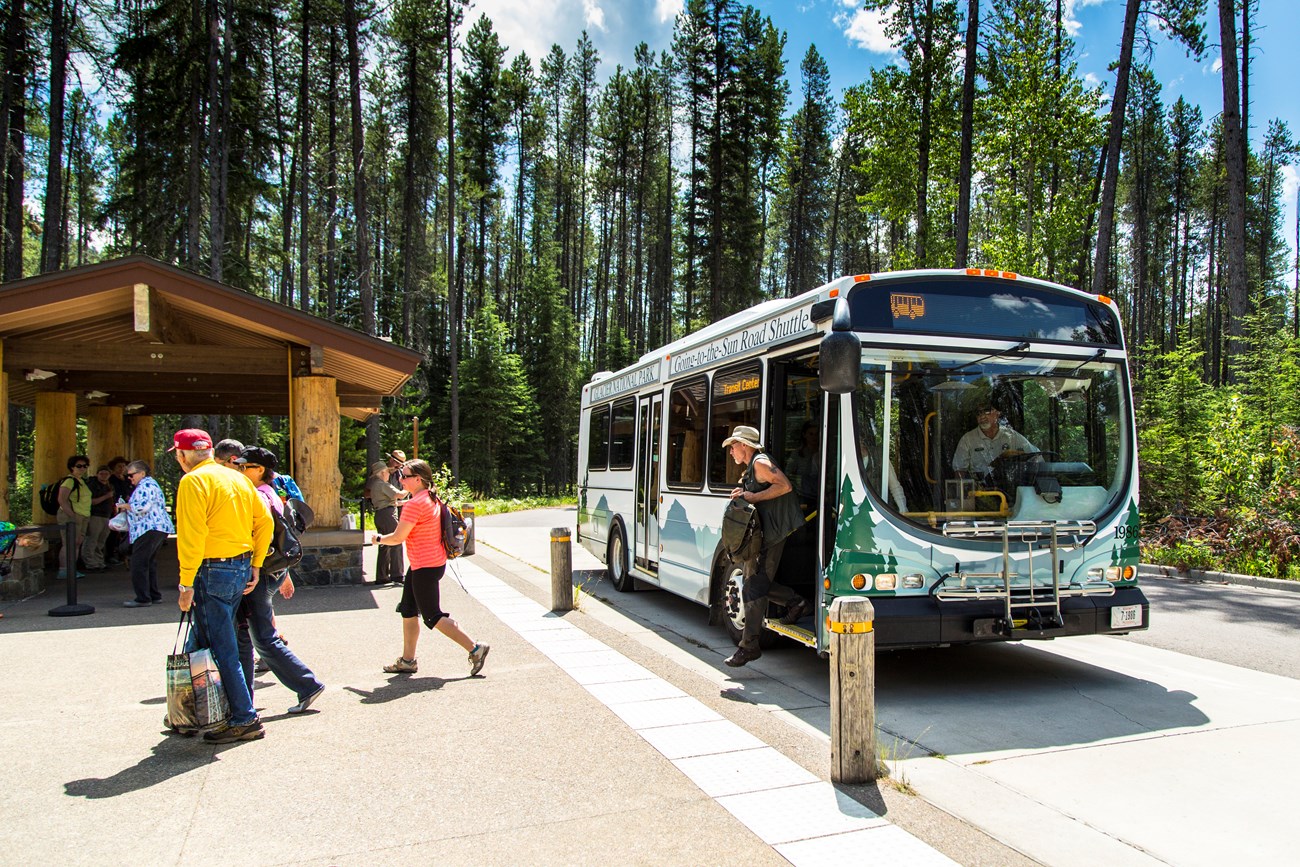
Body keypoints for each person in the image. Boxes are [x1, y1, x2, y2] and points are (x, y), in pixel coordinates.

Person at [171, 428, 273, 744]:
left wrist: (185, 583)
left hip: (211, 568)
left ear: (181, 454)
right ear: (210, 450)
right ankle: (186, 711)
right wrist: (255, 563)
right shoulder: (238, 478)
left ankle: (244, 718)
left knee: (220, 644)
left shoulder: (193, 481)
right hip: (240, 566)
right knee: (203, 636)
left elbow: (191, 536)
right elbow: (265, 522)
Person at [372, 459, 489, 677]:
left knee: (433, 616)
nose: (400, 478)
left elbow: (398, 537)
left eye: (404, 476)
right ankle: (408, 661)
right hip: (427, 563)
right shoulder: (430, 498)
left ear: (418, 479)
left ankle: (476, 648)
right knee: (408, 609)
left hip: (424, 566)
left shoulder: (415, 504)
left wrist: (378, 539)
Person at [234, 445, 325, 715]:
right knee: (248, 634)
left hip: (260, 572)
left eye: (244, 466)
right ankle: (242, 697)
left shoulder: (259, 496)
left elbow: (262, 536)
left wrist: (255, 568)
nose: (239, 470)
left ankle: (307, 684)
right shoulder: (271, 493)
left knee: (262, 636)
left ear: (259, 470)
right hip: (269, 571)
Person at [720, 425, 808, 668]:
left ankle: (749, 647)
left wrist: (752, 497)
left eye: (733, 446)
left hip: (775, 533)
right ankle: (795, 602)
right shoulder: (753, 466)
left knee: (754, 587)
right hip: (767, 533)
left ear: (745, 446)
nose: (731, 452)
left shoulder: (760, 462)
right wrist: (745, 492)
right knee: (754, 585)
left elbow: (784, 486)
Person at [117, 460, 175, 607]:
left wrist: (123, 505)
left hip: (148, 528)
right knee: (149, 562)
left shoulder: (146, 485)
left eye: (131, 475)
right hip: (155, 528)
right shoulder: (150, 484)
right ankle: (153, 595)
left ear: (142, 473)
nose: (129, 478)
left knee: (138, 563)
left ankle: (143, 597)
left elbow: (141, 507)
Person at [952, 401, 1040, 479]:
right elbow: (959, 471)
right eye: (978, 413)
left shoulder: (1011, 436)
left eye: (987, 411)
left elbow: (1036, 456)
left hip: (1008, 489)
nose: (982, 416)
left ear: (998, 413)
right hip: (980, 492)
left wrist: (1018, 456)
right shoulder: (968, 439)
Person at [367, 460, 408, 586]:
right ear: (383, 472)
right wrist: (409, 488)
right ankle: (397, 575)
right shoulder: (383, 484)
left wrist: (407, 502)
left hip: (380, 514)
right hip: (388, 515)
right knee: (396, 541)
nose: (389, 475)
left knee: (384, 543)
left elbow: (393, 501)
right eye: (388, 472)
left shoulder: (375, 485)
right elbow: (399, 495)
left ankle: (382, 575)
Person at [55, 455, 91, 580]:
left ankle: (71, 570)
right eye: (79, 466)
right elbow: (61, 499)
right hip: (72, 516)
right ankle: (64, 570)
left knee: (76, 544)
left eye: (85, 466)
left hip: (83, 515)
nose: (82, 468)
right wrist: (72, 515)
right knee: (68, 543)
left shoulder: (81, 481)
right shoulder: (69, 480)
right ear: (72, 467)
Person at [83, 465, 117, 572]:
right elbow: (91, 501)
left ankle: (99, 561)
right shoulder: (92, 485)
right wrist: (106, 496)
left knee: (101, 541)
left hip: (106, 516)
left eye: (106, 474)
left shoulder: (110, 486)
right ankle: (89, 563)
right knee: (92, 539)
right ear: (97, 474)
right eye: (101, 473)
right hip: (95, 515)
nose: (104, 476)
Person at [106, 457, 133, 565]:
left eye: (123, 466)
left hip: (129, 508)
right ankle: (111, 555)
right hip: (116, 508)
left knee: (127, 532)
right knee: (113, 532)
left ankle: (125, 554)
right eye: (119, 466)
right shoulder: (111, 479)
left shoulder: (128, 479)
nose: (121, 468)